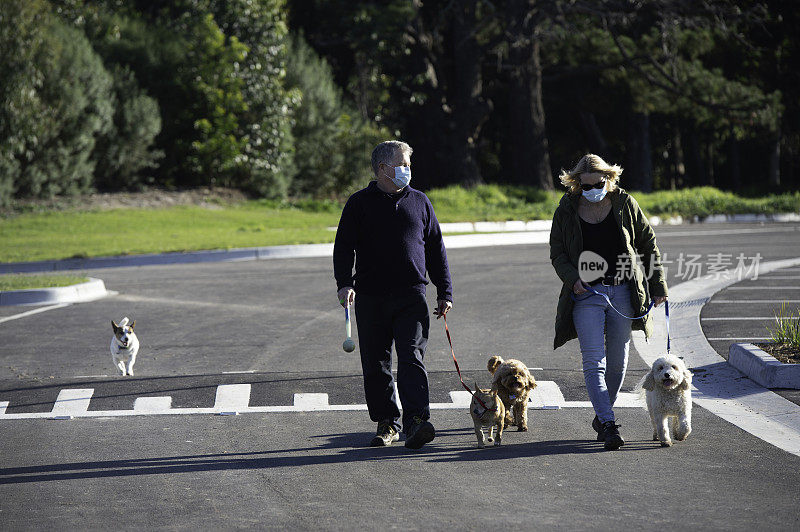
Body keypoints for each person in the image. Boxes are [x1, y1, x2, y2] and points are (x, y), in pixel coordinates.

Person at [333, 140, 453, 449]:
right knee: (376, 363)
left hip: (411, 295)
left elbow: (436, 248)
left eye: (409, 165)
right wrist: (344, 283)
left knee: (412, 357)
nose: (408, 170)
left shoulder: (420, 201)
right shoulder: (359, 203)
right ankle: (387, 422)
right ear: (384, 168)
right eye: (403, 165)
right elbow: (343, 246)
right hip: (371, 297)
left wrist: (444, 290)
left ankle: (416, 421)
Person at [549, 154, 668, 450]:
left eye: (597, 184)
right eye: (584, 185)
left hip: (623, 291)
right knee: (593, 362)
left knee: (618, 363)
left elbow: (647, 243)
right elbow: (558, 253)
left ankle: (603, 413)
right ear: (576, 183)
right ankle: (608, 422)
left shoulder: (625, 203)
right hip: (586, 294)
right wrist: (572, 278)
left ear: (609, 178)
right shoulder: (567, 208)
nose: (591, 190)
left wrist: (657, 284)